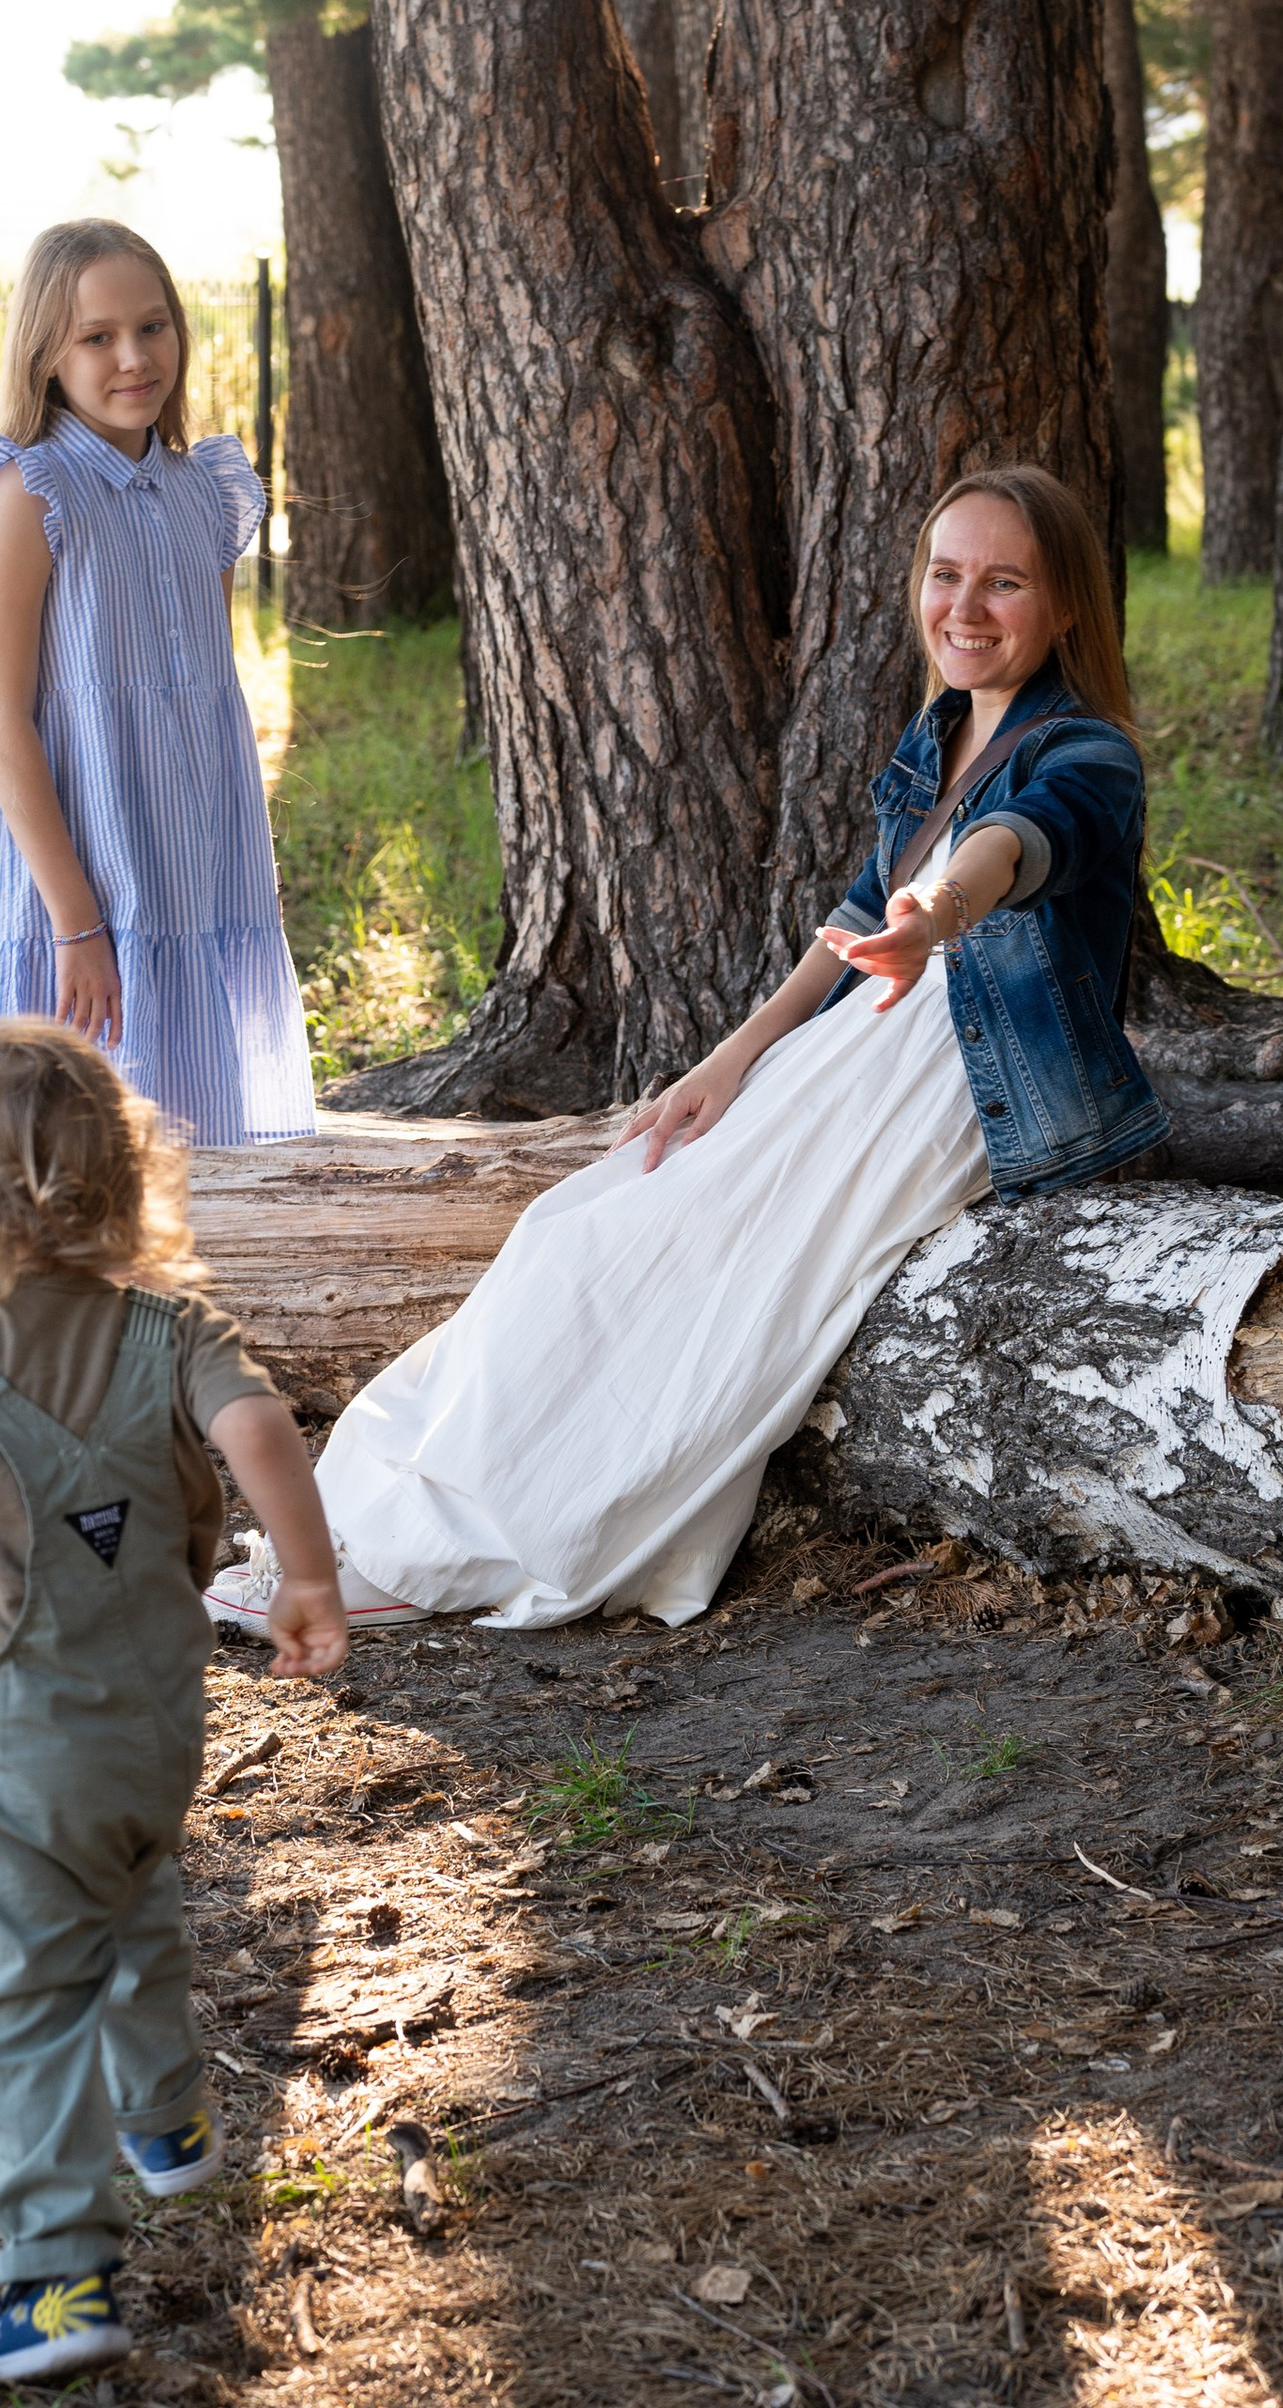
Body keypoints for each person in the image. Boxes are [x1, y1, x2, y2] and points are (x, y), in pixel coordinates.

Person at [211, 460, 1167, 1639]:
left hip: (957, 1083)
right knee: (576, 1226)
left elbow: (1018, 845)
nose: (963, 607)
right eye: (945, 572)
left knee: (681, 1267)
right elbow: (859, 917)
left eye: (1004, 582)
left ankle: (464, 1546)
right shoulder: (941, 733)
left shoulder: (1089, 754)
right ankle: (374, 1517)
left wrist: (941, 916)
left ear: (1065, 604)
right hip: (861, 1048)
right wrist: (734, 1057)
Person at [0, 1018, 349, 2388]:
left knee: (13, 2006)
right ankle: (165, 2124)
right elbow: (266, 1428)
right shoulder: (175, 1332)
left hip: (15, 1760)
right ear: (131, 1182)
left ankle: (56, 2283)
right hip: (154, 1730)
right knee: (136, 1903)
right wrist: (307, 1582)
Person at [0, 215, 315, 1151]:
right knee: (71, 1135)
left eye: (153, 327)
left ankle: (186, 1282)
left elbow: (195, 692)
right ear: (46, 356)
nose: (133, 358)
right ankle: (61, 1296)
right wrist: (76, 921)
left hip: (191, 860)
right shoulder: (33, 491)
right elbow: (0, 722)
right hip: (74, 867)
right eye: (97, 337)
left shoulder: (206, 489)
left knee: (197, 1128)